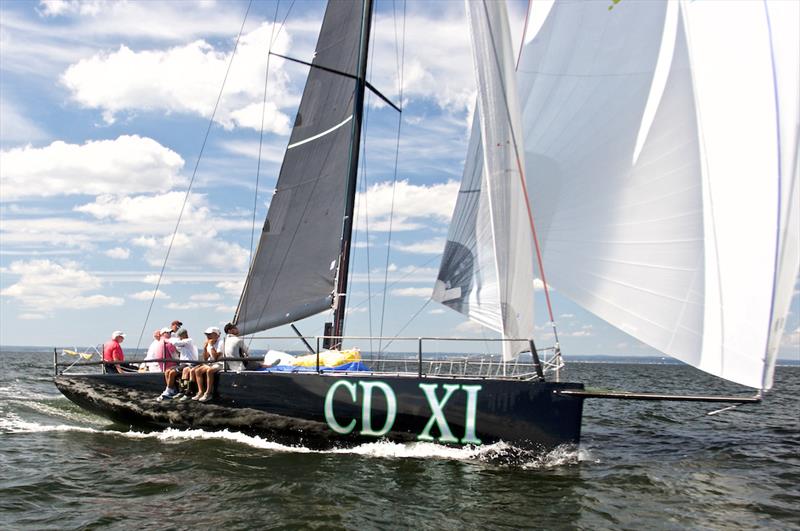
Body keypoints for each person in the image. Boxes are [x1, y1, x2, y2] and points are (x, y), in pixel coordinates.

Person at [164, 328, 199, 400]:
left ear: (184, 335)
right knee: (167, 371)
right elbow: (177, 347)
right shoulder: (183, 342)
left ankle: (175, 391)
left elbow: (176, 343)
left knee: (172, 373)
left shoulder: (189, 341)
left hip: (189, 363)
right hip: (183, 363)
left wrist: (168, 338)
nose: (179, 338)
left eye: (180, 336)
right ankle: (172, 389)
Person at [192, 326, 223, 402]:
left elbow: (216, 357)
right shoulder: (209, 343)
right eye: (207, 334)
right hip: (211, 363)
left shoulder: (221, 342)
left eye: (209, 334)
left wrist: (211, 346)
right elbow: (206, 358)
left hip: (220, 363)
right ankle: (200, 392)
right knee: (197, 371)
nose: (207, 336)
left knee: (209, 371)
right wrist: (205, 347)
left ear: (216, 335)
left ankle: (208, 393)